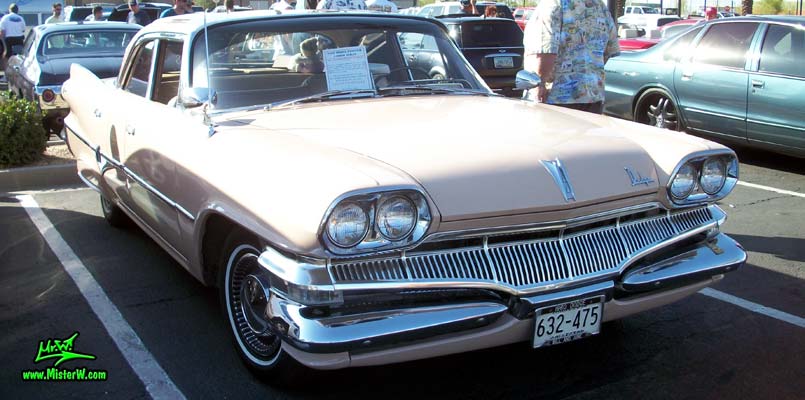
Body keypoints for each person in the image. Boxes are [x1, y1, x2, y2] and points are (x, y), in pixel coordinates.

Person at [522, 0, 619, 114]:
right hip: (593, 98)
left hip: (554, 99)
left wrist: (538, 86)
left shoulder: (552, 4)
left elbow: (544, 52)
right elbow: (609, 51)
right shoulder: (600, 7)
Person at [0, 3, 26, 74]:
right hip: (19, 39)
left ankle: (6, 74)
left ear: (9, 10)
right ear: (17, 11)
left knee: (6, 56)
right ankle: (20, 73)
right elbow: (23, 30)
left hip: (9, 39)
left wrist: (3, 43)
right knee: (20, 57)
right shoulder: (21, 18)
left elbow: (2, 32)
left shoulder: (5, 18)